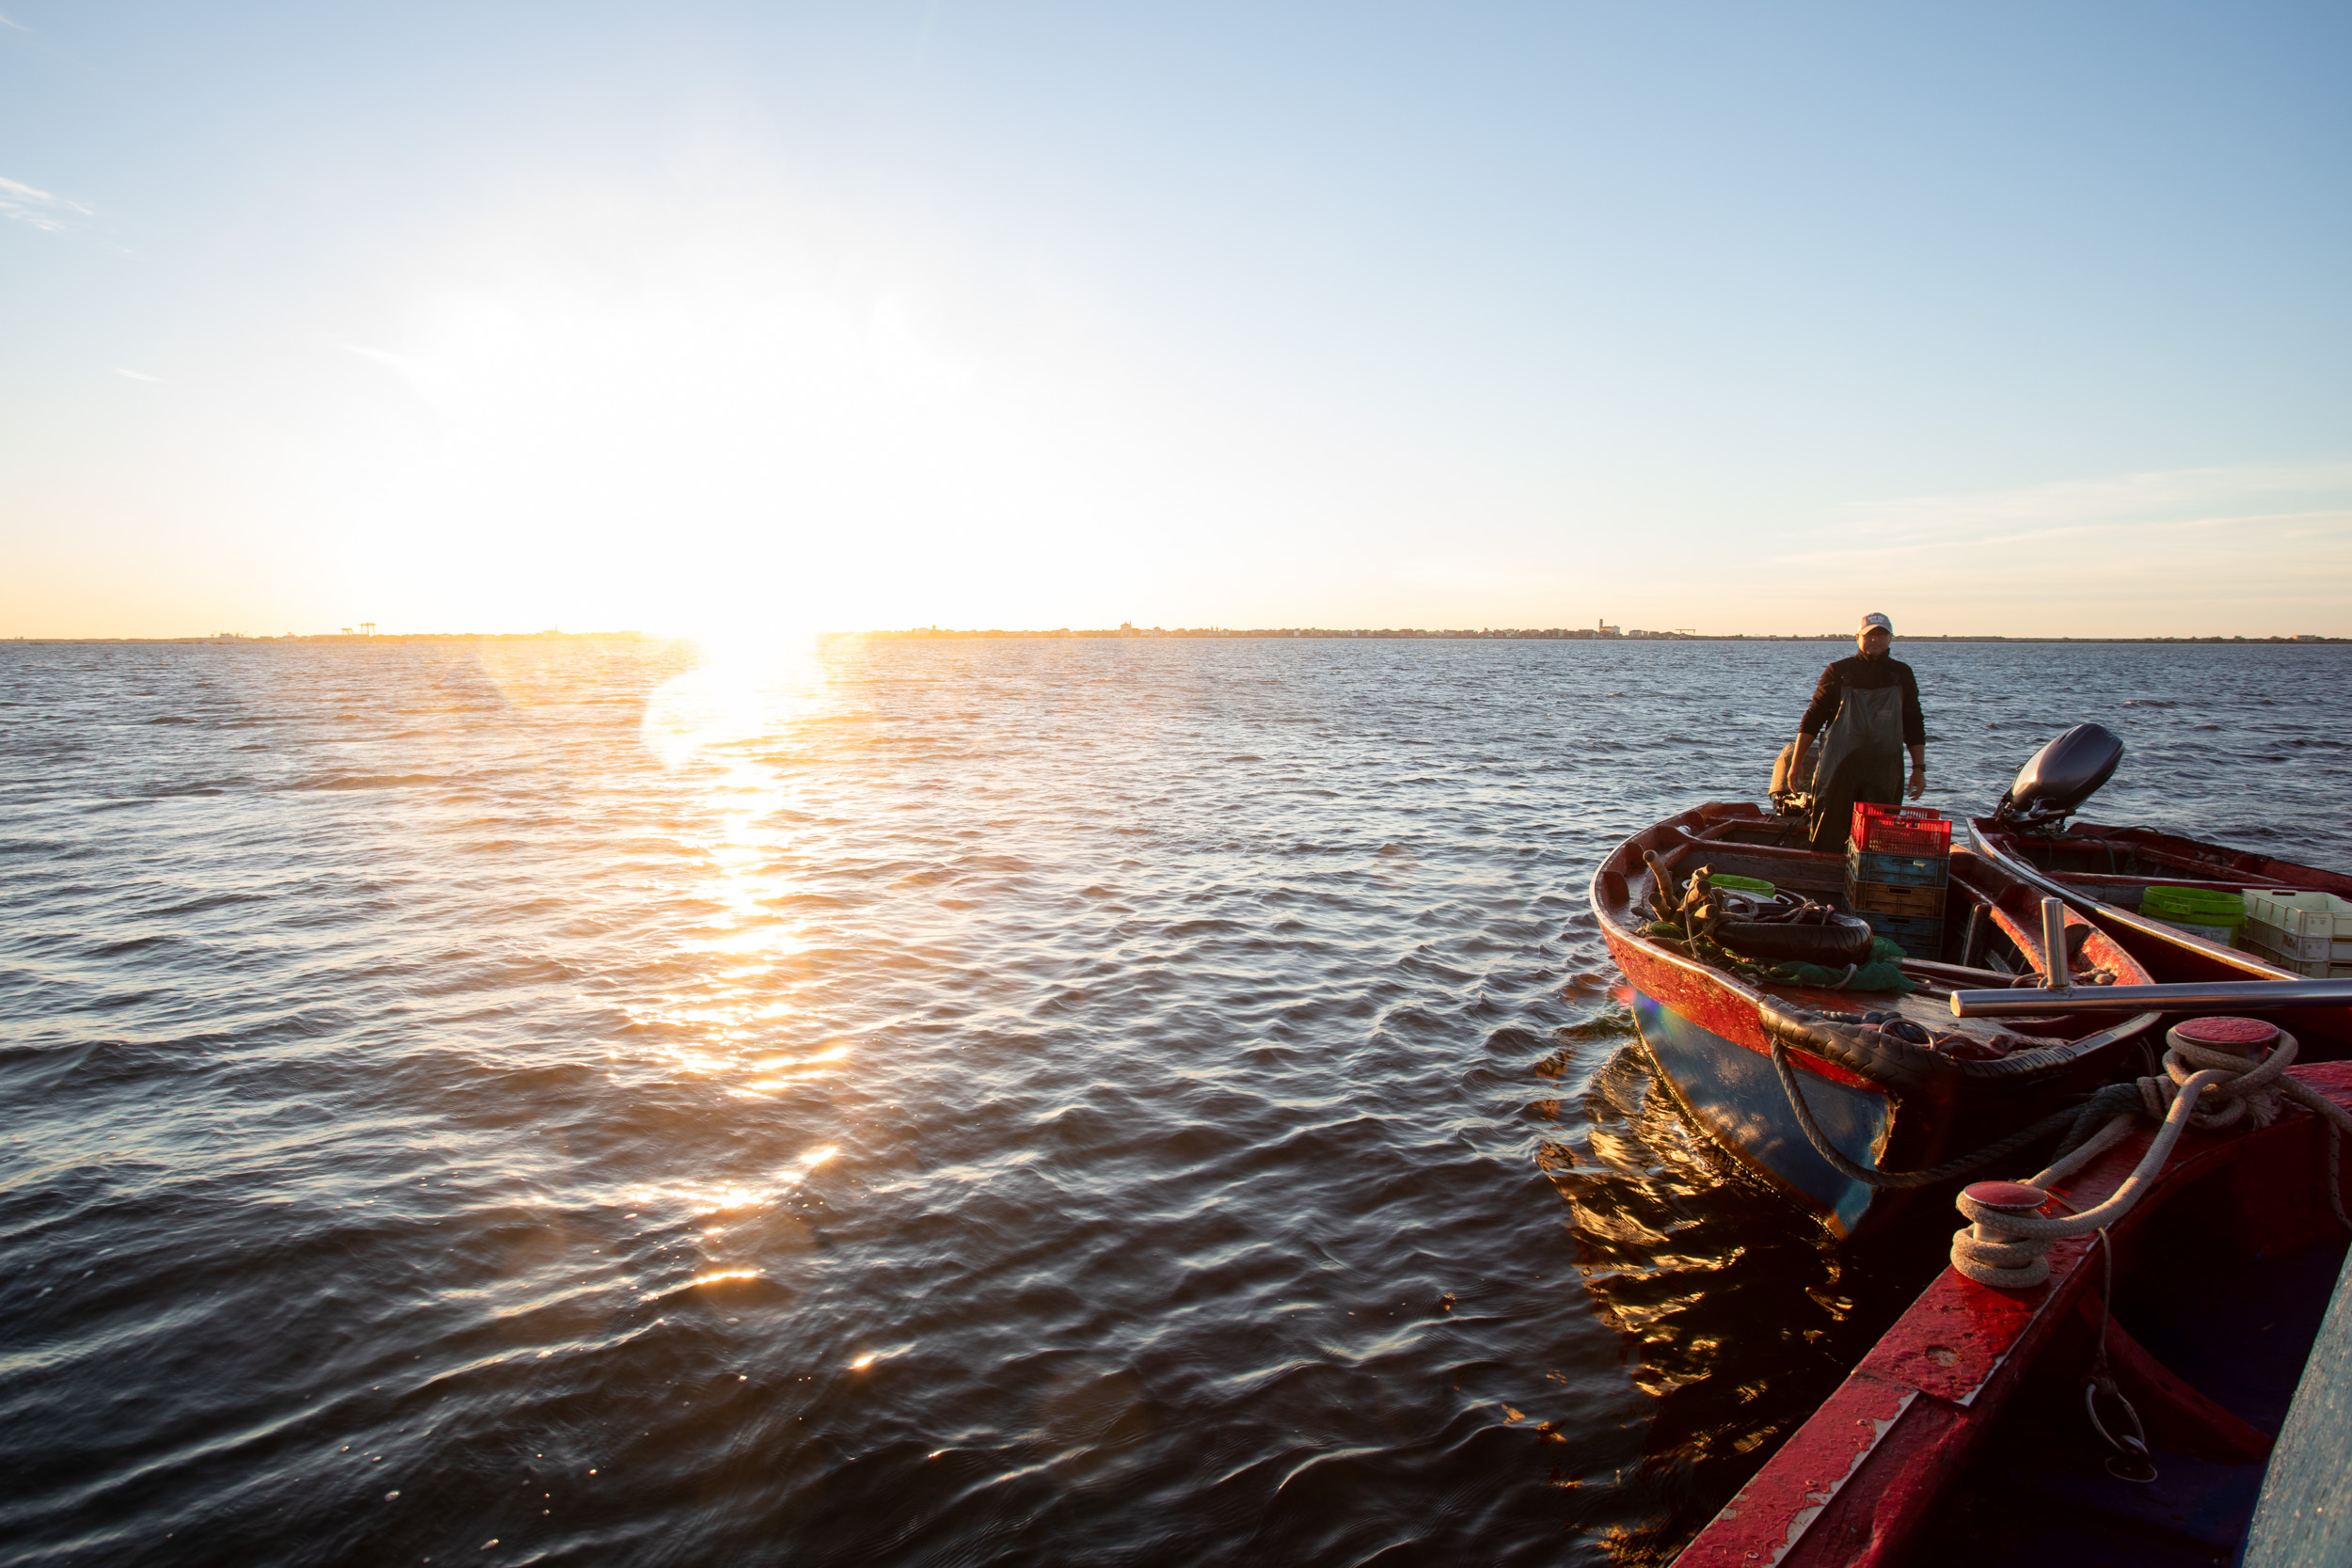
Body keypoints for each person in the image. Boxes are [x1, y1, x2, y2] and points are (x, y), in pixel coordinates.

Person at [1788, 612, 1926, 851]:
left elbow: (1914, 723)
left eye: (1881, 634)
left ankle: (1865, 879)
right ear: (1858, 637)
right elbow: (1813, 718)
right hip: (1838, 770)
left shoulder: (1902, 674)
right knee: (1827, 832)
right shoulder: (1838, 671)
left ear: (1890, 639)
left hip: (1884, 770)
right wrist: (1796, 762)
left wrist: (1918, 769)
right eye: (1869, 634)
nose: (1875, 640)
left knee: (1879, 837)